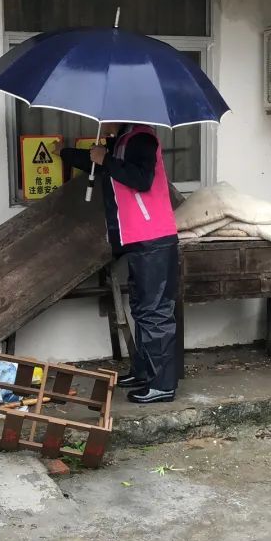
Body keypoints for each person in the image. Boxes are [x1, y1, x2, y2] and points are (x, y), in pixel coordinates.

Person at [58, 123, 180, 403]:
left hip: (153, 238)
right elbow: (100, 165)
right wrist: (65, 153)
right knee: (141, 308)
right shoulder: (123, 139)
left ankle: (162, 384)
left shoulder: (142, 138)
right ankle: (144, 372)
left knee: (155, 312)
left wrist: (107, 159)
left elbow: (141, 179)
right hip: (137, 238)